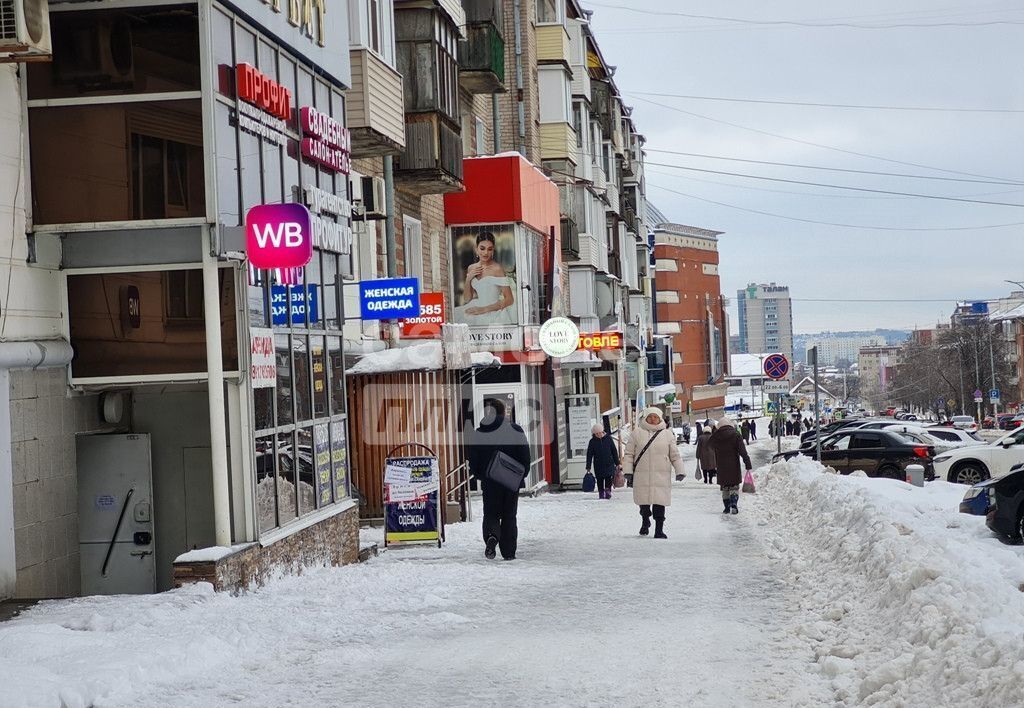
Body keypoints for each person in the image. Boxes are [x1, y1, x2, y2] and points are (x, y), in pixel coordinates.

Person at [466, 398, 532, 560]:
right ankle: (509, 552)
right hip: (511, 481)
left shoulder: (479, 433)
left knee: (491, 512)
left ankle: (491, 536)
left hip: (490, 481)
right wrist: (521, 475)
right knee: (509, 515)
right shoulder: (515, 430)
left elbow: (473, 460)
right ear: (503, 412)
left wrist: (482, 475)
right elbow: (525, 456)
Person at [624, 407, 684, 539]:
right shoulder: (637, 433)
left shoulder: (667, 434)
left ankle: (659, 530)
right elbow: (629, 454)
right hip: (642, 475)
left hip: (661, 476)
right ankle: (645, 520)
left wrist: (680, 471)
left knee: (659, 503)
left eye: (655, 417)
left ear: (660, 418)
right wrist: (627, 471)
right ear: (645, 418)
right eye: (650, 416)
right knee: (643, 503)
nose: (652, 419)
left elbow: (675, 455)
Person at [455, 231, 517, 325]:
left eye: (490, 249)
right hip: (476, 306)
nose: (486, 253)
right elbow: (467, 299)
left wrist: (483, 310)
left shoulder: (497, 269)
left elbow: (509, 299)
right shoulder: (471, 268)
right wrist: (468, 279)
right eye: (482, 248)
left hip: (493, 312)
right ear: (476, 249)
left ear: (493, 250)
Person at [709, 417, 753, 515]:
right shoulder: (736, 435)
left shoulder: (716, 436)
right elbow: (743, 451)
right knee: (734, 487)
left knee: (725, 488)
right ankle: (734, 503)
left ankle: (726, 507)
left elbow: (710, 445)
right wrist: (747, 463)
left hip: (721, 467)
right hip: (734, 466)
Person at [585, 424, 620, 500]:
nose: (598, 435)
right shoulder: (592, 442)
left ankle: (608, 491)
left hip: (609, 463)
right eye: (596, 434)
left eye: (599, 433)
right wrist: (588, 466)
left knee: (608, 478)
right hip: (598, 464)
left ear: (602, 431)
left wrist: (617, 463)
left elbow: (614, 451)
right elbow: (589, 454)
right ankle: (601, 492)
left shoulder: (608, 439)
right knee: (599, 480)